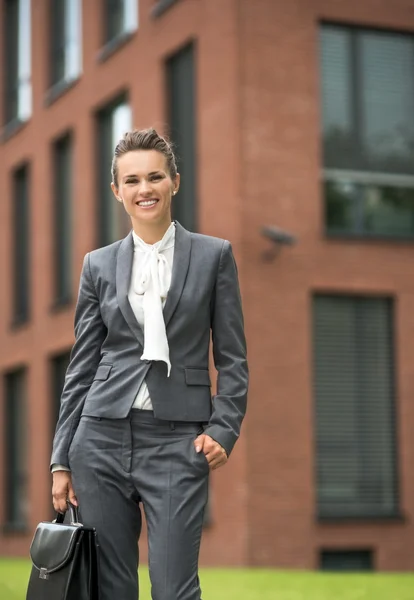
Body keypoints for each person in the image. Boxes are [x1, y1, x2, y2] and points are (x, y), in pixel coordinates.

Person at [51, 128, 248, 600]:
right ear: (117, 191)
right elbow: (82, 365)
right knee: (112, 589)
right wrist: (61, 457)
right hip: (99, 438)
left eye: (155, 177)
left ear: (175, 182)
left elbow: (233, 356)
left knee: (174, 588)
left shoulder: (213, 256)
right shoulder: (97, 265)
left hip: (179, 441)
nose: (145, 189)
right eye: (133, 180)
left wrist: (223, 428)